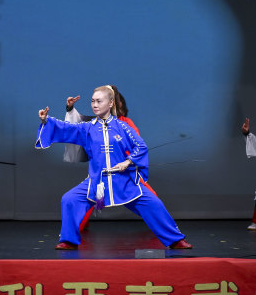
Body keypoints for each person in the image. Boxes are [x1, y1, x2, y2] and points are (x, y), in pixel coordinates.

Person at [36, 85, 191, 250]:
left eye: (99, 101)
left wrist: (128, 161)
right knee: (69, 199)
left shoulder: (123, 127)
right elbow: (66, 128)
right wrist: (46, 120)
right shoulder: (87, 128)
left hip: (124, 181)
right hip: (98, 183)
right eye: (93, 101)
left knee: (153, 203)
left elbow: (141, 147)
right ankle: (68, 240)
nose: (94, 105)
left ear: (110, 103)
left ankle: (175, 240)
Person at [63, 85, 157, 231]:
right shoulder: (95, 124)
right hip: (103, 175)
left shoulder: (125, 123)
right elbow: (75, 126)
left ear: (114, 103)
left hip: (125, 173)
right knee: (87, 199)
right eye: (95, 101)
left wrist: (128, 161)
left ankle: (164, 230)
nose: (97, 104)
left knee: (151, 199)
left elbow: (137, 145)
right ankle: (72, 233)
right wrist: (70, 109)